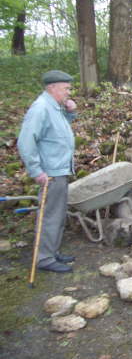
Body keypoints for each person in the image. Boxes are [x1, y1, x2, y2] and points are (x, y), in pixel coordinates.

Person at [17, 70, 77, 273]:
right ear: (52, 87)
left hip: (59, 169)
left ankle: (52, 251)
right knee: (50, 215)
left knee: (57, 214)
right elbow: (25, 142)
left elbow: (58, 131)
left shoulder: (55, 108)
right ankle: (44, 258)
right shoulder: (41, 108)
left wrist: (70, 112)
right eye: (66, 88)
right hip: (50, 172)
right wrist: (36, 170)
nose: (69, 92)